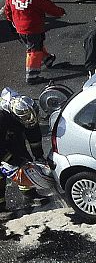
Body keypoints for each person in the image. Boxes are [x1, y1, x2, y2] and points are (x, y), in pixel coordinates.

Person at [4, 0, 65, 84]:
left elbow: (8, 11)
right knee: (34, 51)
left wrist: (11, 23)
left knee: (35, 45)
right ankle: (32, 76)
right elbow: (48, 7)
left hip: (20, 29)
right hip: (33, 28)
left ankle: (48, 59)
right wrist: (60, 12)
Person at [0, 89, 44, 217]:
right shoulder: (2, 118)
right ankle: (1, 207)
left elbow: (34, 135)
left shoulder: (26, 112)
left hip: (9, 132)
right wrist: (13, 161)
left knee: (24, 159)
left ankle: (29, 194)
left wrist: (38, 156)